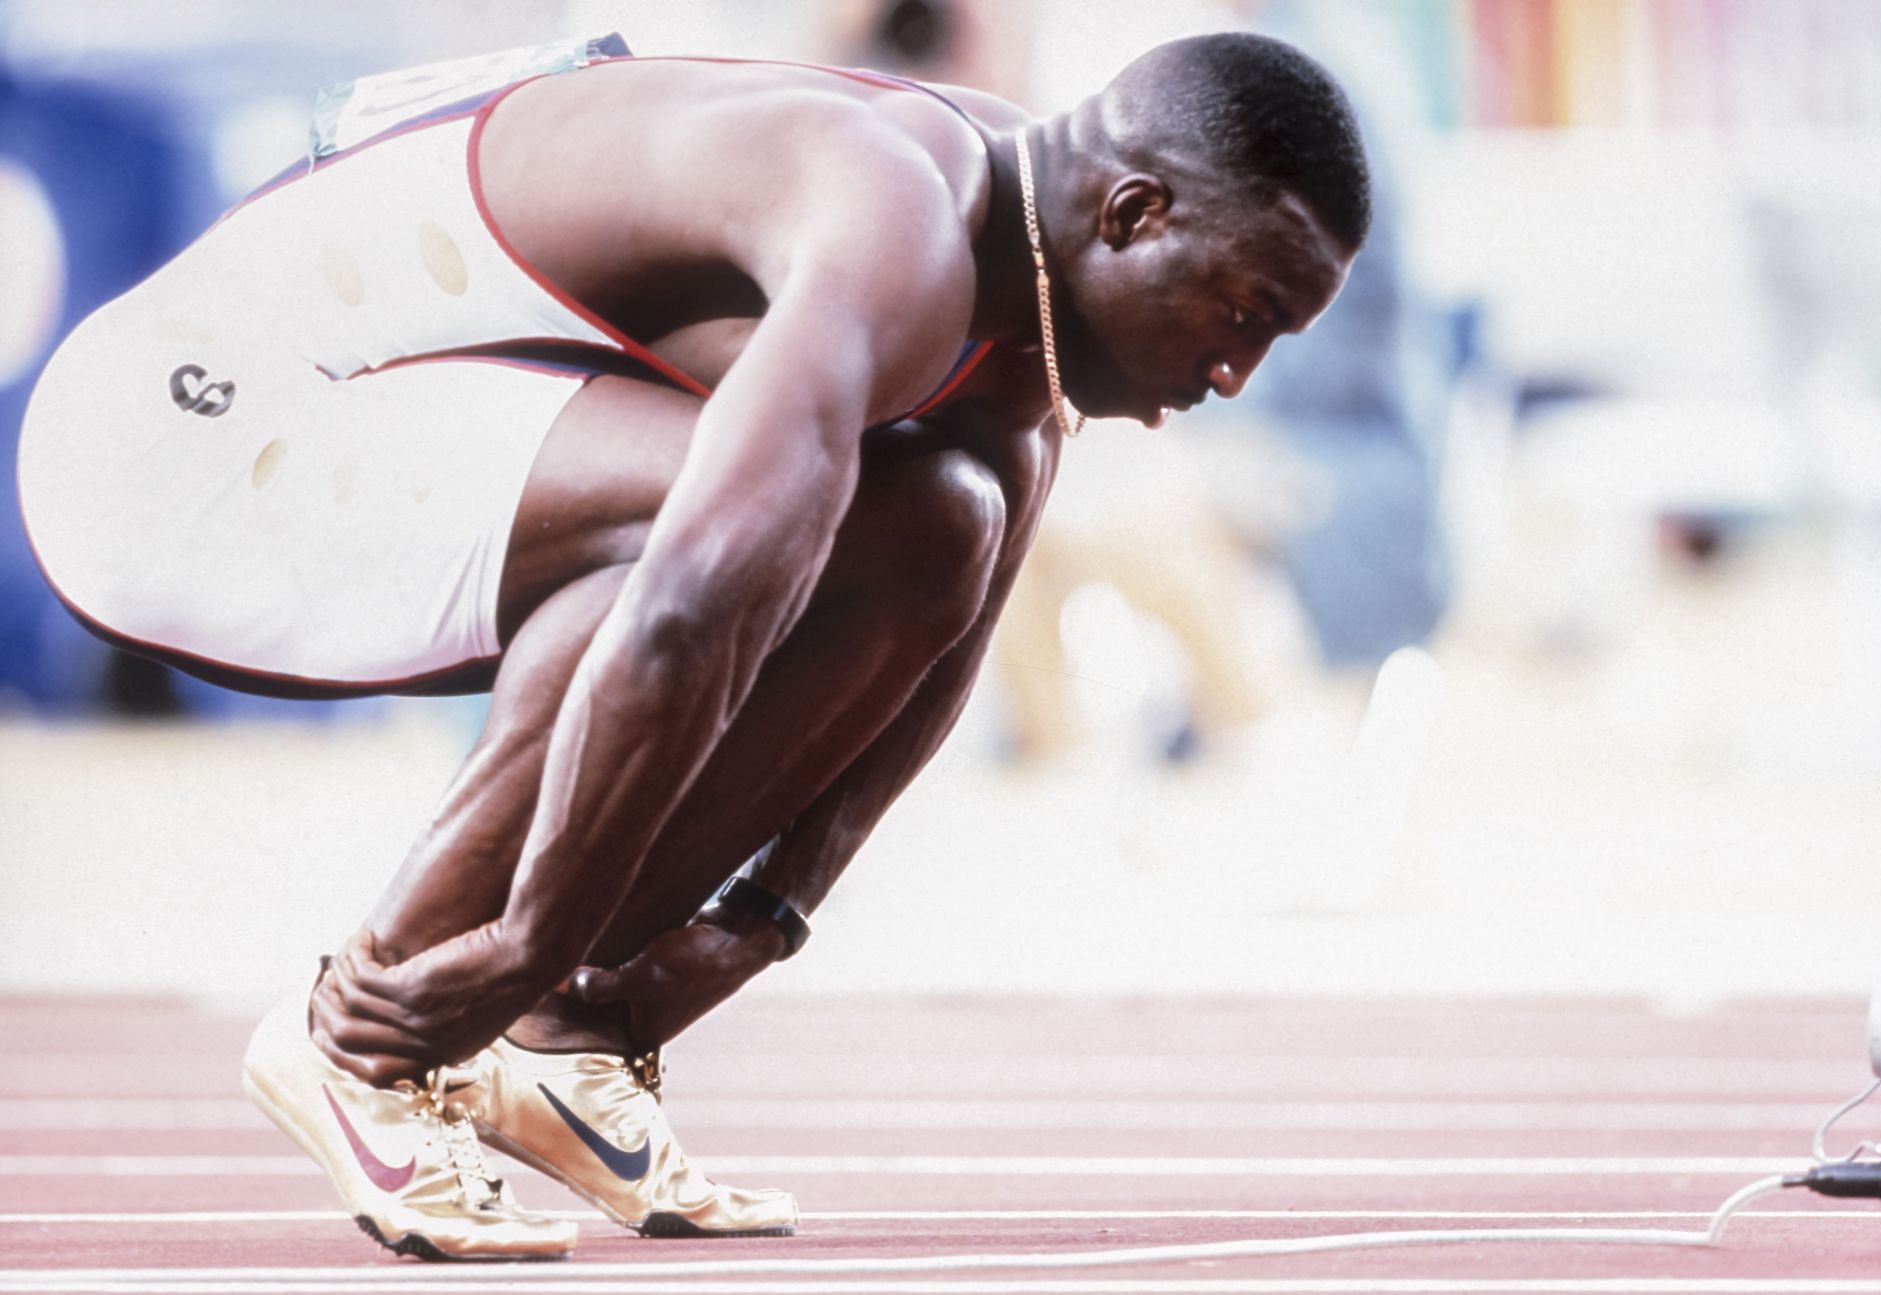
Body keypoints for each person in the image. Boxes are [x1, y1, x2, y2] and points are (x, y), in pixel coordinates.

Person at [16, 31, 1368, 1261]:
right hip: (171, 445)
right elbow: (685, 608)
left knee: (925, 523)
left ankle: (563, 1047)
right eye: (1245, 312)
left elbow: (945, 631)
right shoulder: (894, 220)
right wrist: (534, 940)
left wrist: (760, 925)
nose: (1235, 373)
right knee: (727, 531)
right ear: (1133, 216)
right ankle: (368, 1033)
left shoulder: (1025, 281)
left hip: (348, 433)